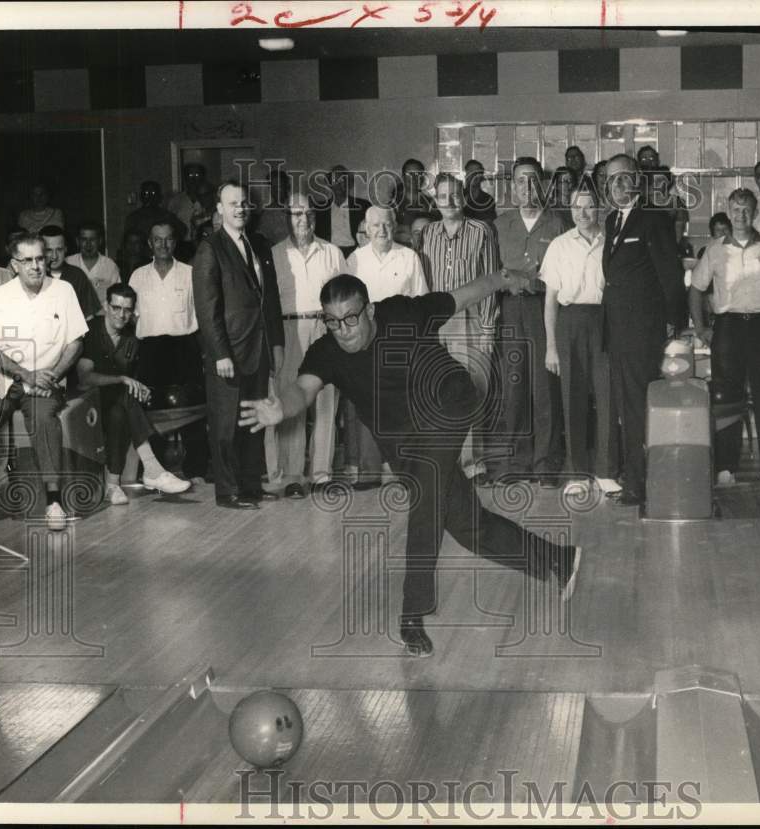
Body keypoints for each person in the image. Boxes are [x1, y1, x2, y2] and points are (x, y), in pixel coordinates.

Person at [238, 271, 583, 658]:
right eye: (332, 321)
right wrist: (280, 407)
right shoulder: (327, 352)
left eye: (351, 318)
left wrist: (505, 278)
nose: (343, 330)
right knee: (470, 528)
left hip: (448, 403)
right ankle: (559, 559)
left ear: (369, 310)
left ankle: (412, 615)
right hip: (403, 442)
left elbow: (462, 296)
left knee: (426, 503)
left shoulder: (403, 313)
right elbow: (303, 389)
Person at [0, 232, 88, 530]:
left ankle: (53, 502)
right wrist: (25, 374)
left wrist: (52, 375)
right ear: (14, 265)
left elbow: (76, 342)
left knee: (43, 419)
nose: (36, 266)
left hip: (48, 382)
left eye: (40, 258)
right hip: (4, 380)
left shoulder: (63, 290)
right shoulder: (0, 296)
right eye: (27, 260)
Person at [193, 181, 285, 509]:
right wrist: (219, 353)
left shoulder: (257, 245)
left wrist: (276, 343)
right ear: (219, 208)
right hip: (228, 353)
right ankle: (227, 492)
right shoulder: (210, 249)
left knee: (252, 421)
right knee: (225, 425)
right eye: (232, 203)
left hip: (257, 349)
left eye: (244, 203)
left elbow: (268, 300)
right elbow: (206, 309)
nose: (240, 208)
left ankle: (250, 487)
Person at [601, 154, 685, 506]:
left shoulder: (653, 218)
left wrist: (675, 324)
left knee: (637, 408)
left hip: (642, 331)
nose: (620, 185)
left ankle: (639, 484)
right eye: (613, 180)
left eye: (626, 178)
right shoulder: (611, 221)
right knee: (626, 407)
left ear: (638, 180)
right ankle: (634, 476)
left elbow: (670, 275)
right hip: (617, 331)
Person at [690, 188, 760, 487]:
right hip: (729, 327)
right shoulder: (715, 249)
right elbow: (696, 289)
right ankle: (725, 468)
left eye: (746, 210)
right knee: (726, 399)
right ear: (728, 210)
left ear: (755, 212)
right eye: (735, 209)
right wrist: (701, 328)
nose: (740, 215)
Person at [76, 284, 191, 504]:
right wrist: (122, 380)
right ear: (106, 306)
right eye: (116, 308)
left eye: (127, 310)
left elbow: (133, 379)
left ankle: (113, 486)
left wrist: (142, 390)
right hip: (87, 403)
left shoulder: (132, 338)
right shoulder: (91, 331)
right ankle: (152, 468)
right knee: (123, 395)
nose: (121, 315)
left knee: (120, 411)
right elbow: (85, 378)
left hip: (117, 404)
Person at [491, 157, 567, 487]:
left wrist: (528, 280)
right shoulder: (499, 224)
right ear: (512, 188)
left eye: (533, 180)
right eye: (520, 181)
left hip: (544, 311)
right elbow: (494, 274)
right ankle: (514, 463)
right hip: (509, 310)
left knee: (545, 389)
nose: (527, 187)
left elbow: (560, 275)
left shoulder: (557, 223)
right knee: (513, 387)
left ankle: (546, 464)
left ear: (543, 185)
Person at [420, 173, 499, 481]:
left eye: (455, 194)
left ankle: (473, 463)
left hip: (473, 319)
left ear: (463, 197)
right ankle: (443, 463)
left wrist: (489, 325)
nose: (450, 201)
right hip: (438, 323)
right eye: (443, 195)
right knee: (438, 391)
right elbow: (423, 283)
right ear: (435, 199)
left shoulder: (482, 230)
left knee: (472, 391)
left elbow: (493, 279)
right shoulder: (426, 233)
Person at [541, 187, 620, 497]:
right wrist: (550, 345)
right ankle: (577, 473)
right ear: (570, 210)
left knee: (608, 396)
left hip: (606, 320)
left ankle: (606, 471)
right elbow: (550, 301)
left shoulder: (611, 242)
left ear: (599, 209)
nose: (583, 213)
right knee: (572, 397)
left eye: (589, 207)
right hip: (570, 322)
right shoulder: (559, 246)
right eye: (577, 207)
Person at [344, 206, 429, 486]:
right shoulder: (353, 261)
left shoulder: (409, 258)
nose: (382, 230)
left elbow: (421, 303)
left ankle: (404, 469)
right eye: (376, 225)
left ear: (395, 225)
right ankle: (369, 471)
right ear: (366, 229)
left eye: (387, 224)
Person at [268, 192, 346, 497]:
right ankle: (292, 476)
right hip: (288, 330)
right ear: (287, 218)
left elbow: (344, 297)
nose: (304, 220)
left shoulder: (332, 253)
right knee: (291, 400)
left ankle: (322, 475)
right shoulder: (275, 255)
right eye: (296, 214)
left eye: (309, 214)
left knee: (325, 401)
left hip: (324, 328)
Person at [128, 220, 210, 484]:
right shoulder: (138, 276)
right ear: (150, 243)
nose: (163, 245)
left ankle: (196, 468)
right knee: (152, 409)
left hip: (183, 346)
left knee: (193, 408)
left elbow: (201, 314)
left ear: (175, 242)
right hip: (150, 350)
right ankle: (157, 470)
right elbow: (131, 318)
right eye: (157, 239)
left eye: (168, 239)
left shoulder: (189, 273)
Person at [40, 225, 102, 321]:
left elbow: (89, 317)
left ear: (65, 249)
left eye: (59, 250)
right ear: (40, 251)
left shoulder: (77, 276)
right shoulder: (33, 276)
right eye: (49, 250)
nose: (54, 256)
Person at [314, 165, 370, 259]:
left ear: (349, 184)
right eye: (335, 181)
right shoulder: (319, 209)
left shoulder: (363, 206)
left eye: (343, 180)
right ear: (329, 185)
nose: (338, 184)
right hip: (328, 255)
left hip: (355, 254)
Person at [67, 221, 121, 305]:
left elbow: (118, 296)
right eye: (84, 239)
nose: (88, 244)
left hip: (102, 315)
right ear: (78, 241)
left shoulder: (110, 266)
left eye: (92, 239)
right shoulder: (68, 263)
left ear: (100, 241)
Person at [123, 180, 187, 244]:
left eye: (153, 193)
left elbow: (182, 231)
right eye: (146, 193)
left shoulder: (167, 216)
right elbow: (126, 241)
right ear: (141, 196)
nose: (150, 196)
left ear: (159, 196)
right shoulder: (133, 217)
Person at [167, 162, 213, 243]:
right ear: (185, 178)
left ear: (203, 177)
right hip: (182, 245)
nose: (193, 179)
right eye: (190, 175)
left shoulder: (211, 199)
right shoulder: (176, 201)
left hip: (205, 243)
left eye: (197, 175)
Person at [462, 159, 497, 223]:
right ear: (466, 175)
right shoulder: (457, 196)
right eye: (471, 172)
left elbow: (488, 224)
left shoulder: (488, 200)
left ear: (481, 177)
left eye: (477, 173)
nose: (474, 176)